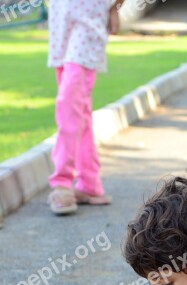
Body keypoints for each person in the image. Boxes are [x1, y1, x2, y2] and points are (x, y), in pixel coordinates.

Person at [47, 0, 125, 215]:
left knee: (68, 103)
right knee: (79, 109)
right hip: (61, 17)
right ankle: (89, 183)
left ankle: (62, 181)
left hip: (88, 19)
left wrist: (114, 7)